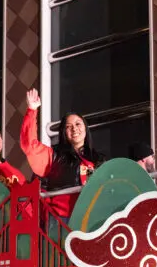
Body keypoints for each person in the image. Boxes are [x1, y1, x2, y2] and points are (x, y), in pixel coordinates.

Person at [20, 89, 106, 219]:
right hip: (61, 223)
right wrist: (32, 110)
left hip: (92, 221)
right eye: (68, 126)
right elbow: (29, 146)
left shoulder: (99, 159)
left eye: (78, 124)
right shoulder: (53, 156)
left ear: (85, 128)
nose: (74, 128)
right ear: (64, 133)